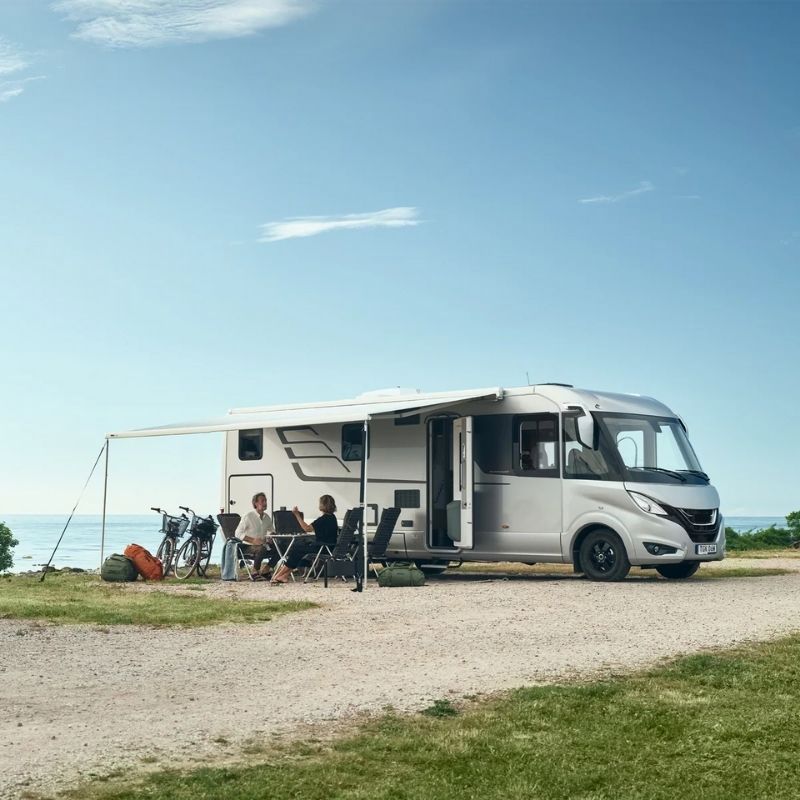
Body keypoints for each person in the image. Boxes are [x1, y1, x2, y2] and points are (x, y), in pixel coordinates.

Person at [271, 494, 339, 584]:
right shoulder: (333, 518)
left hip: (322, 548)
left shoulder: (323, 519)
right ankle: (283, 575)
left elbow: (307, 528)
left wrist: (297, 515)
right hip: (329, 547)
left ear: (322, 505)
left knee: (297, 550)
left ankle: (279, 575)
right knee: (300, 550)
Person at [234, 492, 276, 580]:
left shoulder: (267, 517)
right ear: (255, 503)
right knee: (262, 548)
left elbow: (272, 531)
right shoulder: (248, 516)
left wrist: (271, 536)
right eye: (262, 501)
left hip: (263, 545)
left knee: (281, 548)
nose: (265, 503)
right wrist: (252, 540)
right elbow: (237, 533)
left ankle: (266, 570)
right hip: (247, 546)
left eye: (266, 501)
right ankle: (254, 571)